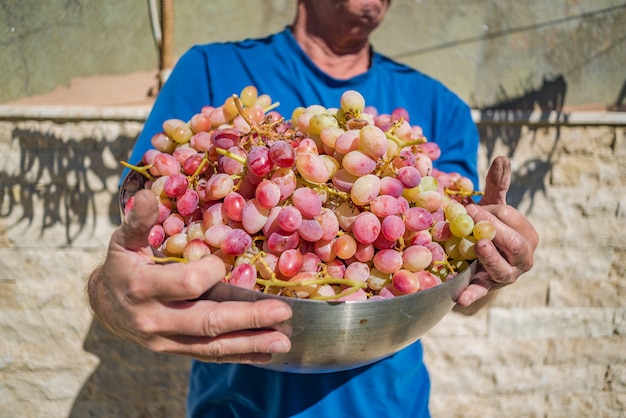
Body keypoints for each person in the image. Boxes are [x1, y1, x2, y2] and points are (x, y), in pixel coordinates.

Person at [88, 0, 539, 416]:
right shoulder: (209, 70)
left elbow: (454, 291)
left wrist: (491, 268)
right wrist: (111, 299)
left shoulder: (441, 108)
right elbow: (140, 254)